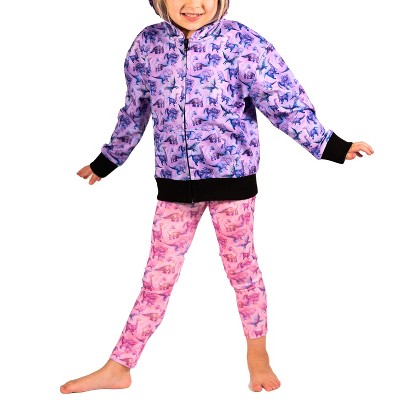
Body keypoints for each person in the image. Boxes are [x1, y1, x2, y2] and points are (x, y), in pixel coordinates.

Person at [60, 0, 374, 394]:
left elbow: (283, 99)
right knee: (156, 279)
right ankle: (119, 367)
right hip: (174, 185)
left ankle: (258, 355)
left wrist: (330, 145)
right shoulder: (147, 45)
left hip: (232, 181)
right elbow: (135, 111)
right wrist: (108, 160)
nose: (193, 5)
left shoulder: (241, 42)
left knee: (242, 272)